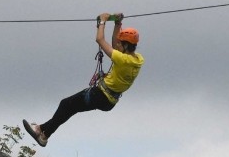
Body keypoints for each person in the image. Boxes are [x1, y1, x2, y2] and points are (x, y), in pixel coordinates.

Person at [23, 12, 144, 147]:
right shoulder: (137, 59)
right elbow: (116, 46)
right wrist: (117, 24)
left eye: (121, 44)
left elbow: (100, 39)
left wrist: (103, 22)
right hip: (109, 101)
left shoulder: (122, 59)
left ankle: (41, 131)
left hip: (100, 95)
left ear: (126, 46)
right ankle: (43, 133)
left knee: (65, 104)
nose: (118, 45)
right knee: (69, 108)